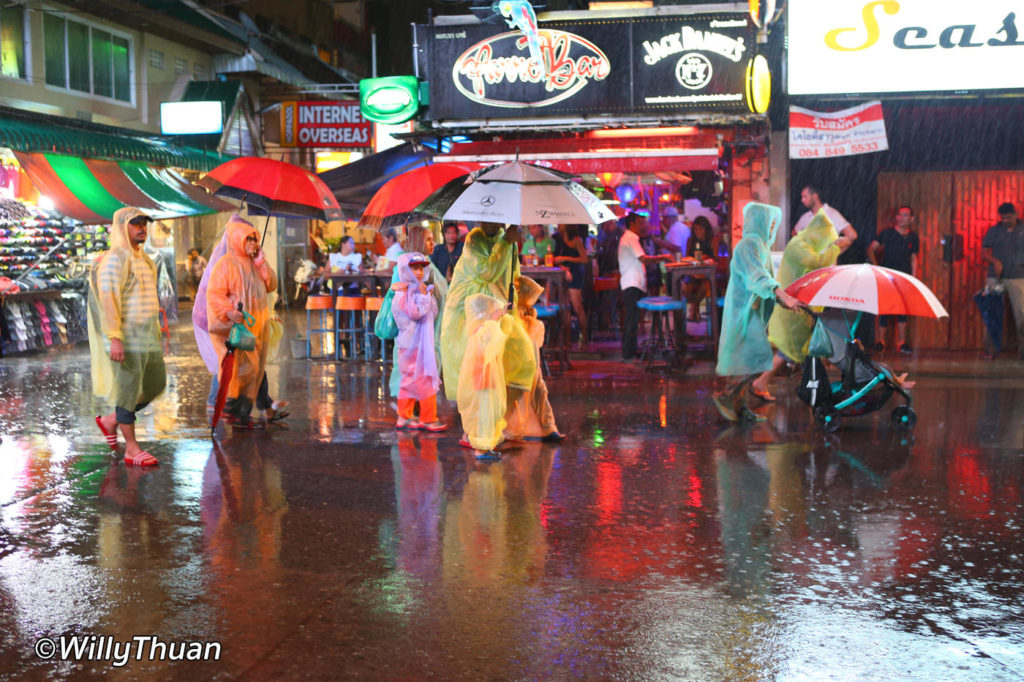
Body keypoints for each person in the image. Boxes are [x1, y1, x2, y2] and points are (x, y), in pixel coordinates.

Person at [713, 202, 805, 422]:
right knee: (749, 357)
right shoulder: (748, 245)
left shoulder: (760, 245)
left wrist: (783, 300)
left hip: (753, 310)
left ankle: (740, 405)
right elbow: (759, 277)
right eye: (769, 222)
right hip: (743, 310)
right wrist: (784, 297)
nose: (772, 227)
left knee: (751, 357)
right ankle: (726, 397)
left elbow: (766, 281)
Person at [89, 207, 165, 467]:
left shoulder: (145, 260)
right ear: (122, 227)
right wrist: (114, 337)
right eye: (135, 224)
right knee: (128, 389)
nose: (142, 228)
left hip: (146, 337)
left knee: (154, 385)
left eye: (144, 223)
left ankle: (111, 420)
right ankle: (131, 448)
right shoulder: (114, 260)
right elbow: (109, 300)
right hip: (125, 336)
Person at [751, 210, 850, 401]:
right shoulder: (799, 246)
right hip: (792, 305)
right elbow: (817, 261)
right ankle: (814, 389)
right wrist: (836, 248)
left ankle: (815, 389)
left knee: (803, 347)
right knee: (794, 347)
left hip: (800, 303)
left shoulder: (806, 244)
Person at [206, 215, 278, 427]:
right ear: (238, 239)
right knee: (239, 371)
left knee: (253, 371)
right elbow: (215, 294)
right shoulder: (226, 264)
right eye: (248, 239)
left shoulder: (254, 263)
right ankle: (234, 412)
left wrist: (262, 263)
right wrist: (228, 312)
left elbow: (270, 285)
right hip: (235, 330)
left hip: (256, 329)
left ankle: (241, 415)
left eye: (254, 239)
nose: (253, 243)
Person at [440, 221, 523, 401]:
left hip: (500, 306)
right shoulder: (474, 239)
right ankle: (476, 409)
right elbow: (487, 272)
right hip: (473, 308)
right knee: (477, 359)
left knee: (500, 358)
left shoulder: (507, 238)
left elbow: (514, 273)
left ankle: (497, 408)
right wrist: (507, 242)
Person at [392, 253, 447, 432]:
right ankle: (420, 418)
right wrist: (424, 296)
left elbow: (433, 313)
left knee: (423, 379)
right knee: (416, 379)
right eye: (414, 268)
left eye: (421, 268)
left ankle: (413, 417)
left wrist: (427, 296)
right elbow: (415, 313)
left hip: (422, 344)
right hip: (410, 345)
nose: (418, 272)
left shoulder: (416, 289)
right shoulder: (402, 293)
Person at [505, 276, 564, 442]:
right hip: (516, 365)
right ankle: (545, 425)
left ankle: (548, 425)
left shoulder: (529, 320)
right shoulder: (516, 317)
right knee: (526, 391)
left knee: (536, 389)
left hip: (527, 365)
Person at [457, 293, 510, 458]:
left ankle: (484, 446)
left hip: (486, 378)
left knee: (487, 413)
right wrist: (496, 318)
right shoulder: (482, 330)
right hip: (484, 378)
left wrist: (498, 316)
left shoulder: (479, 328)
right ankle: (481, 449)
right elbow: (495, 336)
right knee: (485, 414)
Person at [618, 212, 672, 361]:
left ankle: (631, 351)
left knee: (633, 320)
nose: (644, 225)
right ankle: (628, 354)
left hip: (634, 283)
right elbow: (643, 259)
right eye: (641, 222)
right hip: (632, 284)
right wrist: (663, 257)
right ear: (633, 224)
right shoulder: (630, 238)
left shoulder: (631, 238)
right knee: (631, 320)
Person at [868, 205, 920, 353]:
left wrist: (914, 278)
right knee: (884, 309)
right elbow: (871, 248)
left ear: (911, 219)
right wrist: (876, 267)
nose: (902, 218)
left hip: (904, 278)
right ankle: (880, 341)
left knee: (902, 310)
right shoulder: (887, 233)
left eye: (905, 215)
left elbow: (914, 258)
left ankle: (902, 342)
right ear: (896, 217)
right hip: (887, 277)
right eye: (900, 214)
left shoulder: (913, 237)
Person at [981, 202, 1024, 359]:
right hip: (995, 277)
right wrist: (995, 261)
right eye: (1003, 217)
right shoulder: (994, 230)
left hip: (1018, 277)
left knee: (1022, 314)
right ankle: (989, 350)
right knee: (992, 313)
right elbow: (983, 252)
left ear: (1016, 214)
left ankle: (1023, 350)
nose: (1006, 220)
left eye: (1009, 217)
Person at [553, 224, 589, 348]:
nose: (558, 225)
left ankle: (585, 338)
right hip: (563, 273)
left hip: (575, 274)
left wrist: (565, 258)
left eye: (561, 224)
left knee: (577, 307)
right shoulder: (558, 239)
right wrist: (561, 264)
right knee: (565, 308)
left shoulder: (576, 240)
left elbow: (584, 259)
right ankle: (567, 339)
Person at [792, 185, 858, 243]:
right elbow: (794, 233)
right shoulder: (805, 217)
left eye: (805, 197)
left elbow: (852, 235)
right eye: (802, 197)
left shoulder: (832, 213)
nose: (802, 200)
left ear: (815, 196)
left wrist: (836, 251)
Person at [684, 216, 716, 321]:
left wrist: (705, 257)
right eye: (696, 229)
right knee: (685, 288)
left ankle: (694, 308)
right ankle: (695, 308)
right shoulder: (691, 240)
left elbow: (715, 258)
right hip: (693, 273)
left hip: (708, 274)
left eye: (700, 229)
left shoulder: (712, 240)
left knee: (704, 285)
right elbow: (687, 257)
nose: (698, 232)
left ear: (706, 230)